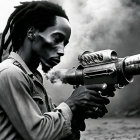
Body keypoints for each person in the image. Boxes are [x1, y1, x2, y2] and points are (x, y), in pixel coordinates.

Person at [0, 1, 115, 140]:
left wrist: (78, 114)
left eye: (64, 44)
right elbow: (38, 135)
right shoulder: (10, 73)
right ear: (32, 32)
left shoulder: (33, 78)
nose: (61, 51)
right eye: (57, 38)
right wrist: (72, 104)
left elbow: (57, 135)